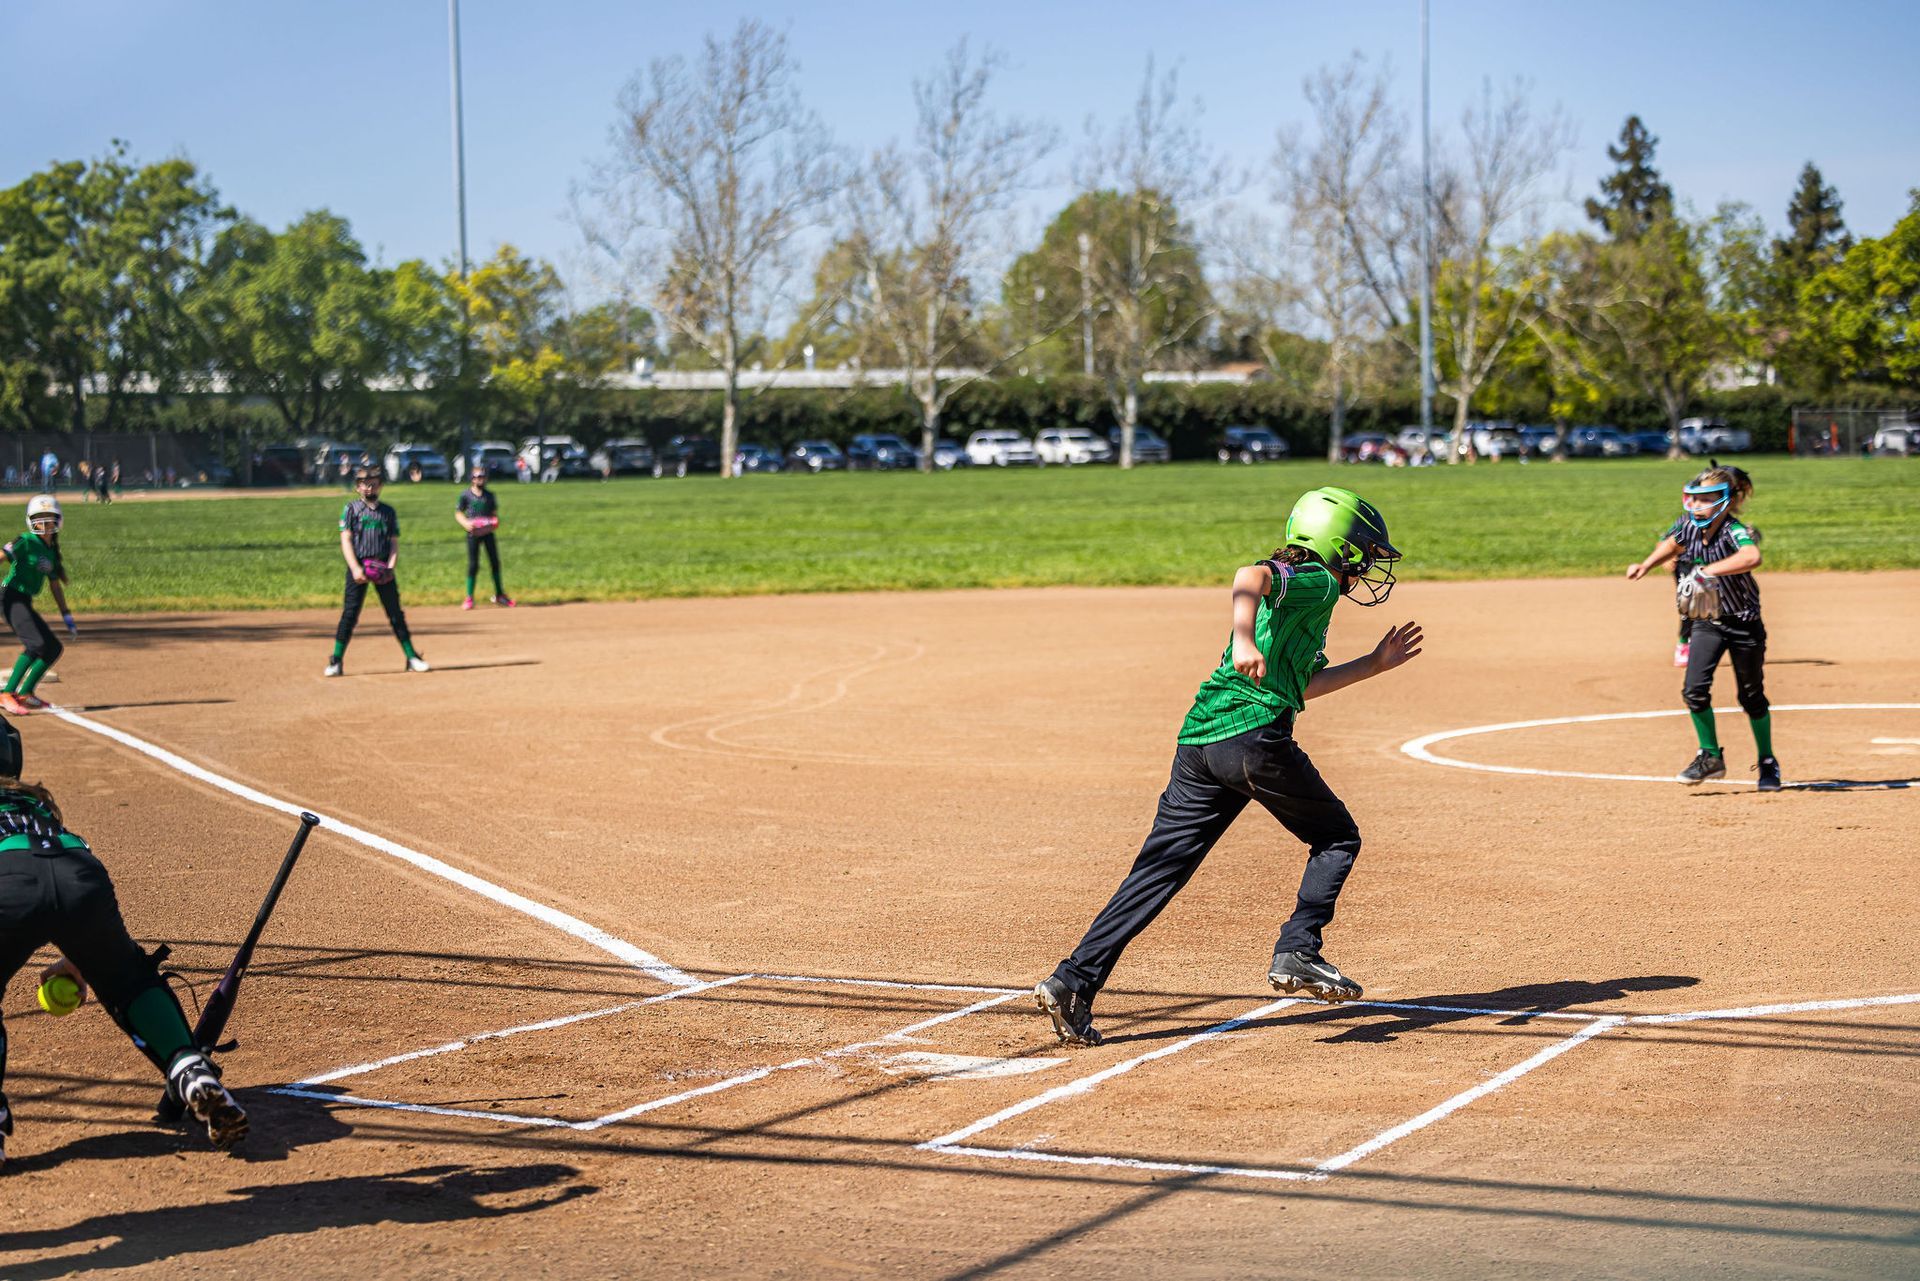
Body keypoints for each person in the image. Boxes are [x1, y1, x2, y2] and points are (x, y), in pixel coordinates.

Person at [1032, 487, 1424, 1047]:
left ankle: (1074, 981)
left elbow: (1300, 684)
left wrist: (1374, 664)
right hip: (1253, 740)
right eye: (1365, 553)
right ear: (1343, 549)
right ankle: (1298, 950)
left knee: (1158, 872)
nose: (1368, 568)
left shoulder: (1309, 601)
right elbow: (1249, 575)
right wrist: (1243, 638)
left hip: (1200, 744)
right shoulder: (1313, 580)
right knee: (1337, 838)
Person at [0, 720, 247, 1162]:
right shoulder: (36, 801)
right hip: (79, 871)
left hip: (7, 879)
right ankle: (188, 1067)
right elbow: (52, 883)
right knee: (128, 980)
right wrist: (76, 960)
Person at [1626, 463, 1779, 790]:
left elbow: (1752, 556)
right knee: (1694, 690)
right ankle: (1710, 756)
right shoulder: (1688, 526)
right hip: (1707, 624)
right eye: (1692, 500)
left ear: (1723, 501)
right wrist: (1646, 564)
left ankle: (1767, 761)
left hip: (1744, 624)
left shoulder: (1732, 530)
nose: (1694, 506)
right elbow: (1671, 544)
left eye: (1703, 500)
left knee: (1751, 697)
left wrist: (1710, 570)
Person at [325, 467, 429, 678]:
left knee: (395, 614)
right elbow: (345, 539)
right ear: (357, 487)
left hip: (382, 568)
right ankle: (336, 660)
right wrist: (355, 568)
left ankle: (412, 657)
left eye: (373, 482)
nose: (369, 486)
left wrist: (390, 567)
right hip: (359, 566)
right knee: (350, 614)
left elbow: (393, 543)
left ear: (380, 485)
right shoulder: (351, 509)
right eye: (364, 483)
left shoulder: (388, 512)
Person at [0, 497, 77, 716]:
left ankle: (25, 693)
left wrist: (67, 615)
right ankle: (6, 693)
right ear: (30, 522)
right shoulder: (25, 541)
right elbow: (2, 556)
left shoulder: (51, 551)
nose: (44, 526)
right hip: (9, 597)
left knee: (53, 648)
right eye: (38, 520)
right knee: (36, 644)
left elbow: (55, 586)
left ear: (58, 522)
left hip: (23, 601)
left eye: (49, 521)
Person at [455, 469, 515, 610]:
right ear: (472, 479)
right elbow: (458, 513)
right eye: (477, 477)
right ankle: (469, 597)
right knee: (473, 565)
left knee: (494, 562)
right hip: (473, 534)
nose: (480, 479)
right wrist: (466, 524)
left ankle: (500, 594)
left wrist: (493, 523)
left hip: (487, 533)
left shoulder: (489, 496)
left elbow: (494, 516)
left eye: (482, 476)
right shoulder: (466, 495)